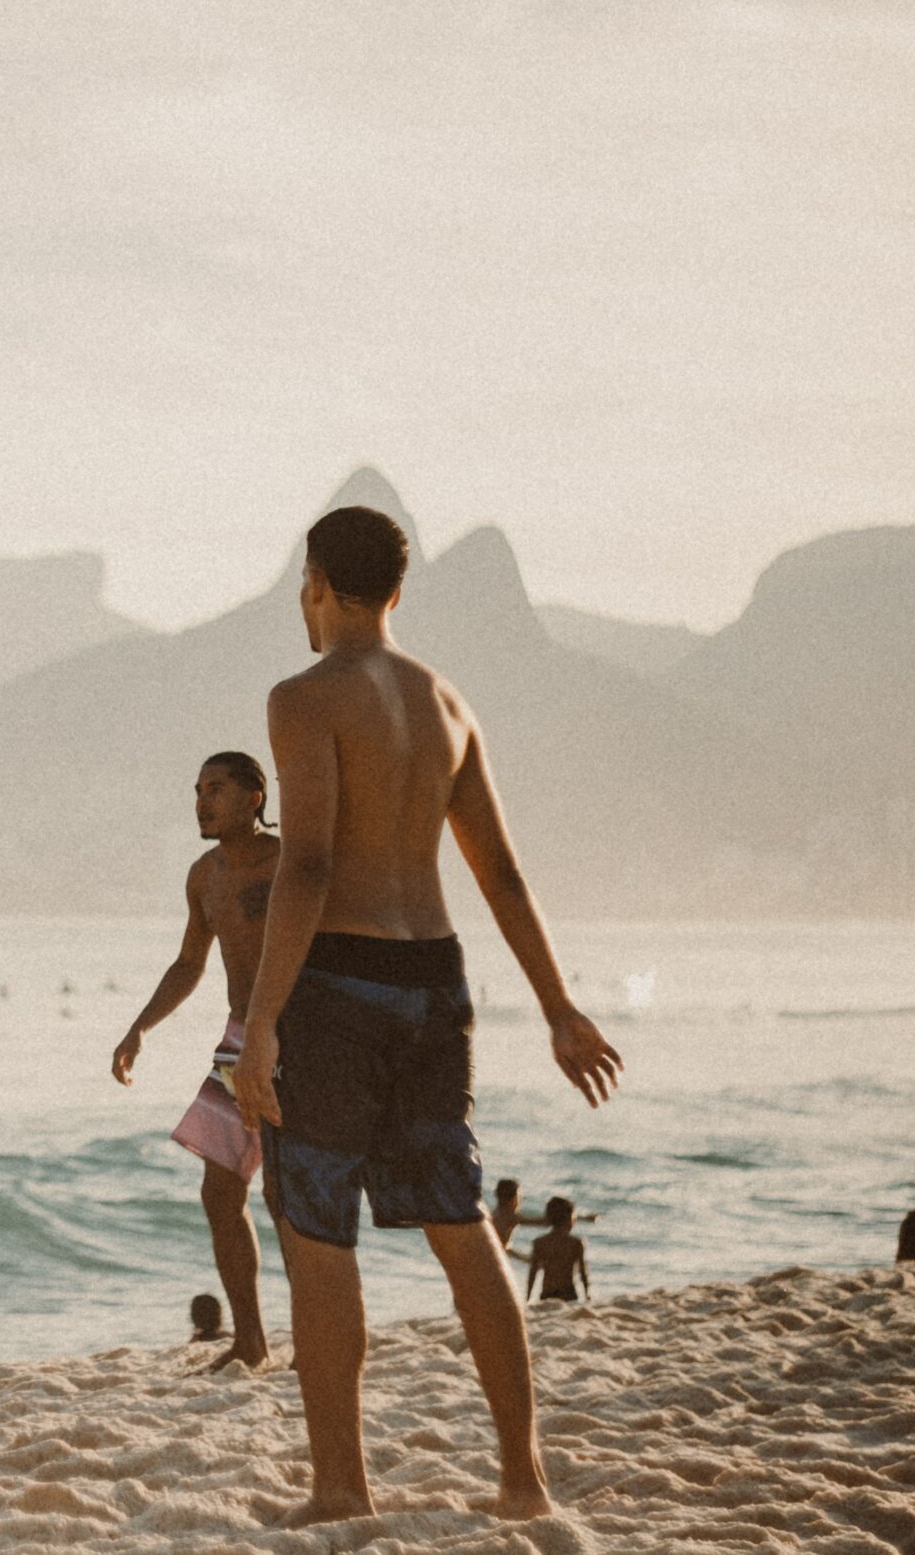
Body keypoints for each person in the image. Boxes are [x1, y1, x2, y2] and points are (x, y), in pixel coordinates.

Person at [228, 505, 624, 1525]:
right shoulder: (447, 701)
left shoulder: (301, 697)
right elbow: (499, 872)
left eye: (302, 591)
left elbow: (308, 864)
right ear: (397, 591)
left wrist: (262, 1021)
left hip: (338, 983)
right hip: (435, 979)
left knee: (318, 1237)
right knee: (460, 1227)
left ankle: (341, 1487)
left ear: (315, 583)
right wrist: (557, 1007)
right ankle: (523, 1482)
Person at [111, 752, 283, 1370]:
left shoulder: (290, 862)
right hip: (239, 1041)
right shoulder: (203, 876)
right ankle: (252, 1339)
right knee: (220, 1193)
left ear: (254, 797)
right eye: (197, 790)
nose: (202, 801)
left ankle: (321, 1331)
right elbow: (190, 963)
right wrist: (139, 1028)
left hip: (299, 1036)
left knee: (289, 1192)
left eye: (216, 788)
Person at [524, 1199, 588, 1303]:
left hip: (546, 1295)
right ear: (569, 1217)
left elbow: (533, 1273)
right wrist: (587, 1295)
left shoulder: (540, 1243)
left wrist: (527, 1298)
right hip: (569, 1295)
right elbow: (583, 1272)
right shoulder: (576, 1243)